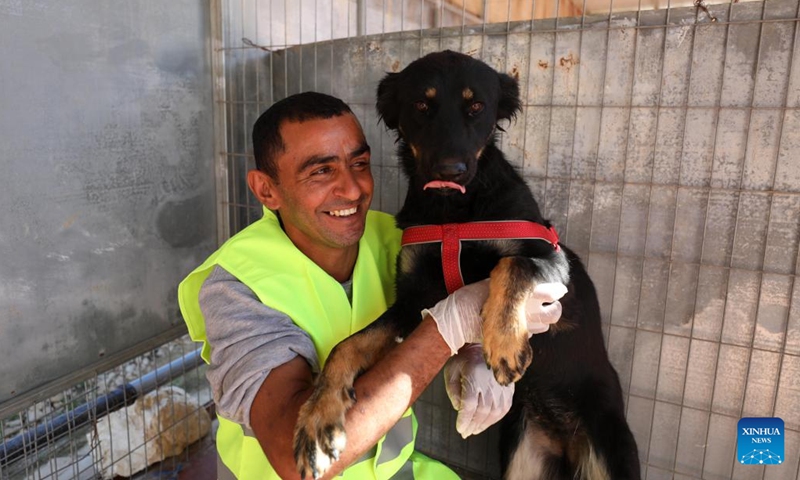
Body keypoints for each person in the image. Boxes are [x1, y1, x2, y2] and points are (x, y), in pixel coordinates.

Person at [178, 92, 566, 480]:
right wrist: (450, 326)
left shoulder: (392, 239)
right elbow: (297, 461)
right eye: (321, 171)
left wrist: (478, 350)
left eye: (359, 163)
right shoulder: (238, 285)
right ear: (267, 190)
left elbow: (507, 287)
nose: (352, 189)